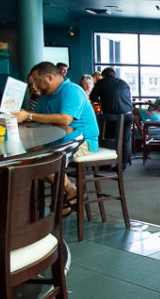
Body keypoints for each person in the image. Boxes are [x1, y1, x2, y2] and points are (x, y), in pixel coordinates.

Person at [12, 61, 99, 211]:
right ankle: (70, 190)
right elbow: (37, 117)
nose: (33, 85)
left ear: (50, 77)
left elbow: (65, 119)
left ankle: (69, 193)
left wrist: (29, 116)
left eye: (36, 80)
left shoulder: (73, 91)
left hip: (82, 141)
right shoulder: (47, 96)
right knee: (26, 162)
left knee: (43, 163)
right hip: (58, 142)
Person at [89, 67, 134, 164]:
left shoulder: (101, 83)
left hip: (113, 117)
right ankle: (123, 165)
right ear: (114, 75)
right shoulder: (123, 83)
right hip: (128, 115)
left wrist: (102, 100)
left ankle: (107, 163)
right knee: (125, 141)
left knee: (109, 139)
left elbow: (92, 97)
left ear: (104, 76)